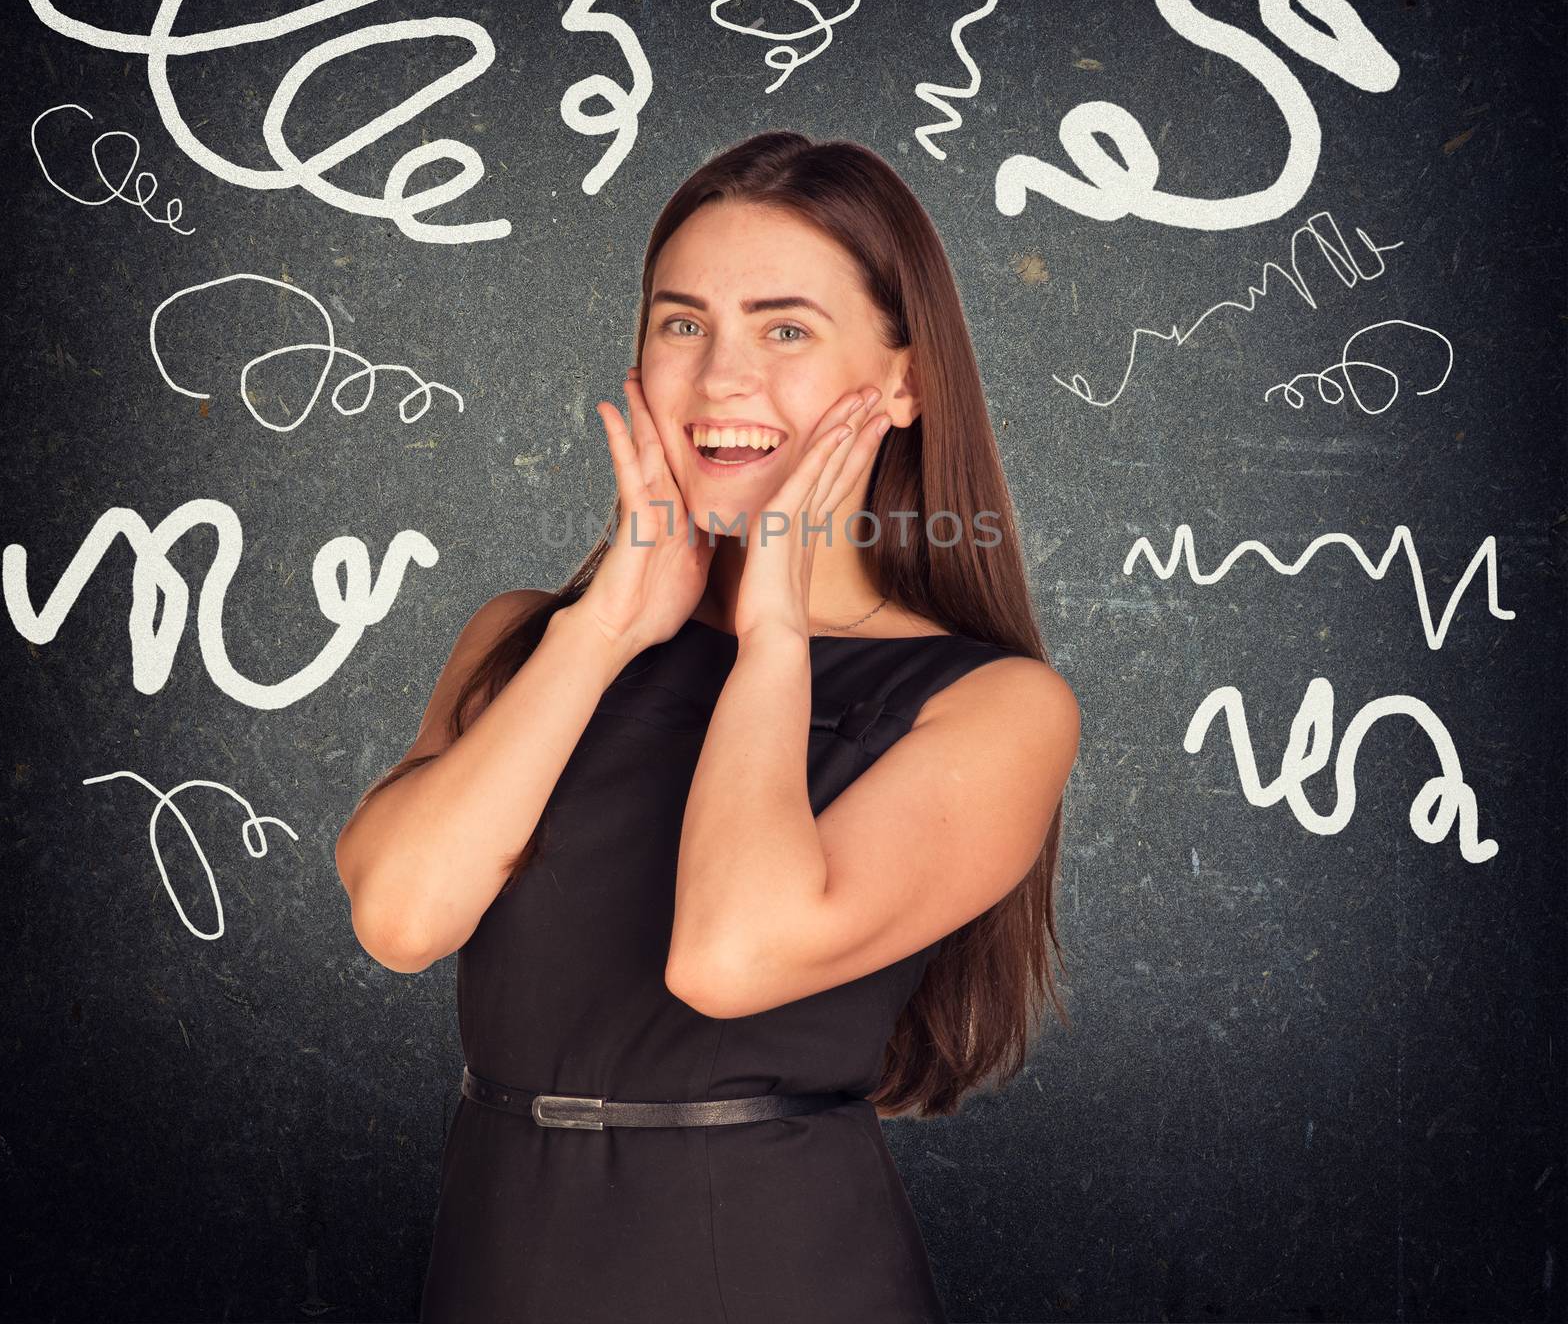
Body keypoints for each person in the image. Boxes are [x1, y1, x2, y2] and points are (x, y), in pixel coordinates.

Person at [334, 130, 1081, 1324]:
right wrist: (604, 628)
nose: (722, 376)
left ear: (903, 380)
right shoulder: (531, 638)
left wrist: (776, 618)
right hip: (497, 1264)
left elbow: (729, 955)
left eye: (785, 329)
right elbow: (401, 917)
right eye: (683, 324)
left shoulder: (991, 705)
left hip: (768, 1269)